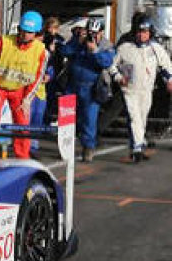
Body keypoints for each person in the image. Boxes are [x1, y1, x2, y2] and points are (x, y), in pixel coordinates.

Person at [0, 11, 47, 160]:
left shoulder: (42, 51)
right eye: (22, 30)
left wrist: (27, 99)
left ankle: (22, 158)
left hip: (21, 92)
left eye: (29, 32)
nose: (24, 35)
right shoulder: (3, 41)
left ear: (36, 33)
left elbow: (38, 77)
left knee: (22, 126)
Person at [113, 16, 172, 163]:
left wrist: (169, 81)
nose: (142, 34)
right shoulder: (124, 48)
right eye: (139, 31)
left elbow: (165, 66)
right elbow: (111, 65)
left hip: (147, 90)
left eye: (145, 31)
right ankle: (136, 149)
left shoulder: (155, 48)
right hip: (130, 90)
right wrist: (119, 77)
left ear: (150, 32)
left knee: (142, 118)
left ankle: (139, 143)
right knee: (134, 118)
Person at [60, 17, 114, 162]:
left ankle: (88, 147)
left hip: (91, 88)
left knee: (89, 120)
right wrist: (77, 42)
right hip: (73, 84)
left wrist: (95, 51)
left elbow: (107, 62)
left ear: (101, 33)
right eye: (90, 32)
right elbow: (64, 51)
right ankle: (65, 147)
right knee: (67, 118)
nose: (92, 36)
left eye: (95, 33)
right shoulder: (78, 41)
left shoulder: (106, 45)